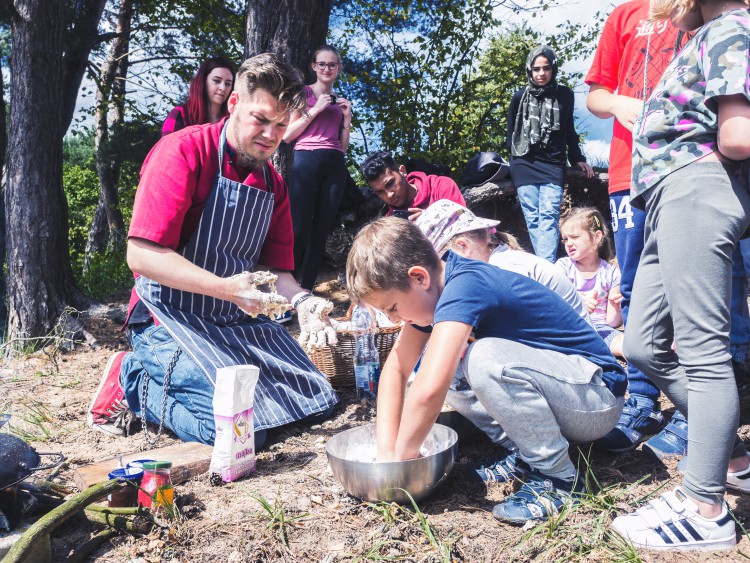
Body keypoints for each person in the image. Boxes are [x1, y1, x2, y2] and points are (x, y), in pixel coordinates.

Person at [87, 54, 339, 452]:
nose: (270, 136)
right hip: (167, 318)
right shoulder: (182, 152)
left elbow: (279, 274)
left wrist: (304, 300)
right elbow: (141, 256)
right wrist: (226, 288)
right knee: (243, 434)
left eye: (280, 124)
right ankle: (132, 378)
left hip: (232, 320)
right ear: (235, 104)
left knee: (318, 401)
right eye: (261, 120)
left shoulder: (274, 185)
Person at [346, 217, 626, 525]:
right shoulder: (430, 294)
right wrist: (387, 455)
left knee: (480, 357)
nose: (396, 318)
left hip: (596, 397)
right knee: (450, 364)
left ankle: (557, 478)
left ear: (419, 278)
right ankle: (525, 453)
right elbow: (396, 370)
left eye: (392, 308)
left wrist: (402, 464)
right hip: (566, 392)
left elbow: (427, 391)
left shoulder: (466, 285)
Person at [610, 0, 750, 551]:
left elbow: (737, 134)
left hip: (697, 188)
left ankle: (704, 510)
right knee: (643, 344)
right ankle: (733, 460)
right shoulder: (707, 33)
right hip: (667, 198)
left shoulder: (732, 26)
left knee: (702, 350)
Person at [585, 0, 685, 457]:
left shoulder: (702, 8)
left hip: (688, 166)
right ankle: (641, 396)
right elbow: (595, 97)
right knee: (633, 284)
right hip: (629, 174)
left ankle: (692, 407)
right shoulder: (625, 14)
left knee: (692, 289)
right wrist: (618, 101)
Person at [414, 199, 594, 453]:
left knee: (461, 362)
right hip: (563, 376)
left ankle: (522, 448)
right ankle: (520, 443)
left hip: (580, 388)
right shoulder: (494, 265)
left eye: (440, 262)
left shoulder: (500, 271)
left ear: (462, 247)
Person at [507, 46, 594, 264]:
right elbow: (511, 135)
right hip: (524, 162)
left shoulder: (565, 95)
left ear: (553, 69)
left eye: (546, 68)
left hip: (552, 163)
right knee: (533, 217)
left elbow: (568, 130)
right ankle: (547, 266)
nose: (541, 73)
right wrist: (514, 164)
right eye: (536, 69)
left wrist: (577, 159)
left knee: (548, 216)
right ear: (530, 70)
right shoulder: (519, 97)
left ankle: (545, 267)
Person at [283, 45, 353, 291]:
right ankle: (287, 287)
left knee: (321, 230)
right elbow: (288, 136)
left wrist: (346, 120)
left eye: (332, 65)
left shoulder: (340, 102)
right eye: (322, 64)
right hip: (307, 160)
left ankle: (307, 288)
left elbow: (342, 148)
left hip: (334, 163)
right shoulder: (302, 94)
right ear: (313, 66)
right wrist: (314, 110)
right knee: (298, 227)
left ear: (338, 69)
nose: (327, 68)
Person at [556, 208, 624, 356]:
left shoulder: (611, 273)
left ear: (597, 236)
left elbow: (612, 323)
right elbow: (554, 304)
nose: (568, 243)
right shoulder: (563, 267)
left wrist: (616, 306)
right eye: (565, 239)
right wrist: (577, 303)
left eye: (574, 237)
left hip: (600, 329)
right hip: (569, 326)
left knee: (623, 343)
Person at [360, 151, 466, 219]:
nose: (389, 195)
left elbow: (463, 221)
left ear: (402, 171)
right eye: (380, 192)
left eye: (390, 183)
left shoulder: (440, 186)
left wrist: (429, 221)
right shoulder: (391, 222)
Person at [161, 56, 236, 136]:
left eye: (228, 84)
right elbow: (167, 146)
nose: (223, 88)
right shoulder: (179, 114)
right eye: (217, 81)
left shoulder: (233, 119)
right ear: (203, 81)